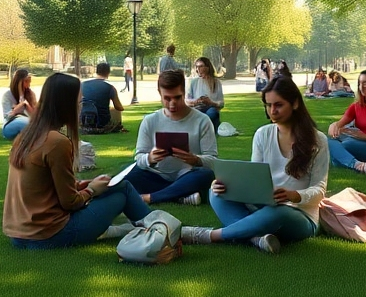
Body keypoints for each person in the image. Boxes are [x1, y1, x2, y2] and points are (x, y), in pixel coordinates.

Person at [183, 75, 330, 254]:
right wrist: (227, 185)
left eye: (278, 104)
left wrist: (294, 195)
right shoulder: (262, 134)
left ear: (295, 104)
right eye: (268, 105)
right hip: (264, 205)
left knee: (279, 213)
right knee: (215, 194)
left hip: (299, 215)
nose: (272, 110)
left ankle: (209, 236)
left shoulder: (318, 141)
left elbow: (320, 190)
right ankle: (257, 238)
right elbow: (253, 178)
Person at [2, 72, 150, 248]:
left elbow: (43, 185)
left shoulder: (26, 136)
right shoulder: (57, 142)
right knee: (123, 188)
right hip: (50, 235)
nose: (81, 107)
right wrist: (92, 190)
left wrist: (82, 184)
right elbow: (70, 203)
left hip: (19, 236)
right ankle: (159, 229)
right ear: (68, 105)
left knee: (111, 186)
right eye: (79, 102)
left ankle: (138, 227)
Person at [127, 69, 217, 206]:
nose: (172, 104)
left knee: (206, 175)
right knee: (129, 173)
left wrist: (196, 159)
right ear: (160, 94)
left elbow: (213, 161)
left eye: (177, 97)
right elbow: (139, 158)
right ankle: (179, 196)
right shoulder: (150, 120)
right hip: (156, 175)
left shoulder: (202, 120)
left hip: (188, 175)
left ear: (184, 93)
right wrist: (150, 158)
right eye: (167, 98)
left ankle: (150, 198)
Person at [79, 61, 126, 134]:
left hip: (84, 119)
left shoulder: (83, 85)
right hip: (102, 122)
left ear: (96, 71)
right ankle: (116, 127)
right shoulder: (110, 87)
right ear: (108, 73)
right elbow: (119, 107)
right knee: (115, 110)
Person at [186, 56, 224, 131]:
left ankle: (205, 129)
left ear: (207, 67)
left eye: (200, 66)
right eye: (196, 67)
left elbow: (221, 103)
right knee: (197, 114)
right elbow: (187, 101)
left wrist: (211, 102)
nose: (198, 69)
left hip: (211, 107)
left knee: (212, 112)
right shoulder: (193, 82)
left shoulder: (216, 82)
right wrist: (196, 101)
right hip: (197, 108)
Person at [2, 67, 37, 142]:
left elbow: (35, 116)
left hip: (28, 121)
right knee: (25, 123)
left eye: (29, 82)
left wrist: (26, 104)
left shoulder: (30, 94)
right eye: (26, 82)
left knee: (32, 124)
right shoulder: (7, 95)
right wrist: (20, 105)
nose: (28, 85)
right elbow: (7, 116)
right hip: (11, 123)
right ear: (19, 82)